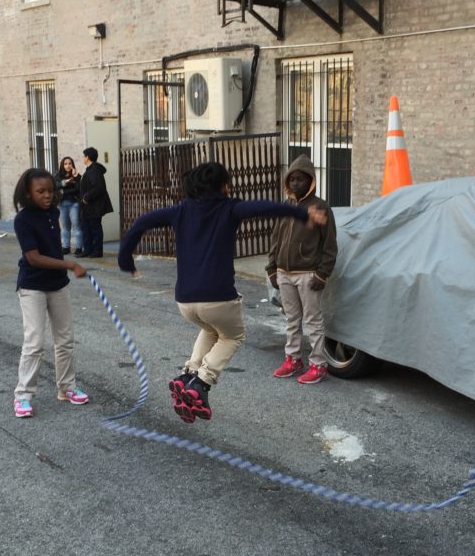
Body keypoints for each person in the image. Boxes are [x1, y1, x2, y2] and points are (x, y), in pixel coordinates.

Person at [118, 161, 327, 423]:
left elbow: (141, 222)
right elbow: (266, 207)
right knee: (233, 336)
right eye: (228, 183)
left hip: (185, 302)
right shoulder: (230, 208)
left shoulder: (180, 211)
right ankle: (202, 383)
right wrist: (303, 214)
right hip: (218, 298)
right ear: (221, 186)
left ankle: (188, 375)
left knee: (210, 329)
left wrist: (126, 260)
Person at [12, 168, 90, 418]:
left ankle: (66, 388)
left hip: (57, 284)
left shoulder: (53, 212)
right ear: (28, 193)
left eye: (50, 190)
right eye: (40, 191)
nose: (47, 195)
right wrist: (69, 264)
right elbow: (33, 258)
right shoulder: (22, 220)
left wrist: (64, 269)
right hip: (32, 286)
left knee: (65, 340)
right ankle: (23, 396)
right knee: (34, 343)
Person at [265, 154, 338, 385]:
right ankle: (293, 359)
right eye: (292, 179)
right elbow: (275, 239)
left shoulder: (320, 207)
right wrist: (272, 269)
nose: (296, 183)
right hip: (285, 274)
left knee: (313, 321)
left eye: (301, 179)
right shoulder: (285, 207)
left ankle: (318, 364)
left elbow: (330, 244)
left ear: (311, 181)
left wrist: (322, 273)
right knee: (291, 319)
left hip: (308, 275)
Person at [79, 147, 113, 258]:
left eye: (84, 156)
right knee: (86, 227)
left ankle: (97, 251)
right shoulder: (90, 169)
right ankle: (88, 250)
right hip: (87, 206)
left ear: (87, 157)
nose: (83, 158)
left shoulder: (94, 170)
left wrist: (86, 197)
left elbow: (98, 187)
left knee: (95, 228)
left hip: (94, 205)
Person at [54, 156, 83, 255]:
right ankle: (66, 247)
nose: (68, 165)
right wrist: (65, 183)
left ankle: (79, 247)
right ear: (62, 165)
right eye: (65, 164)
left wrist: (63, 190)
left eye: (70, 163)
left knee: (76, 226)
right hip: (62, 205)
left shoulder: (76, 175)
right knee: (65, 227)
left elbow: (79, 188)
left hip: (74, 204)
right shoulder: (58, 175)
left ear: (72, 165)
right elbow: (55, 186)